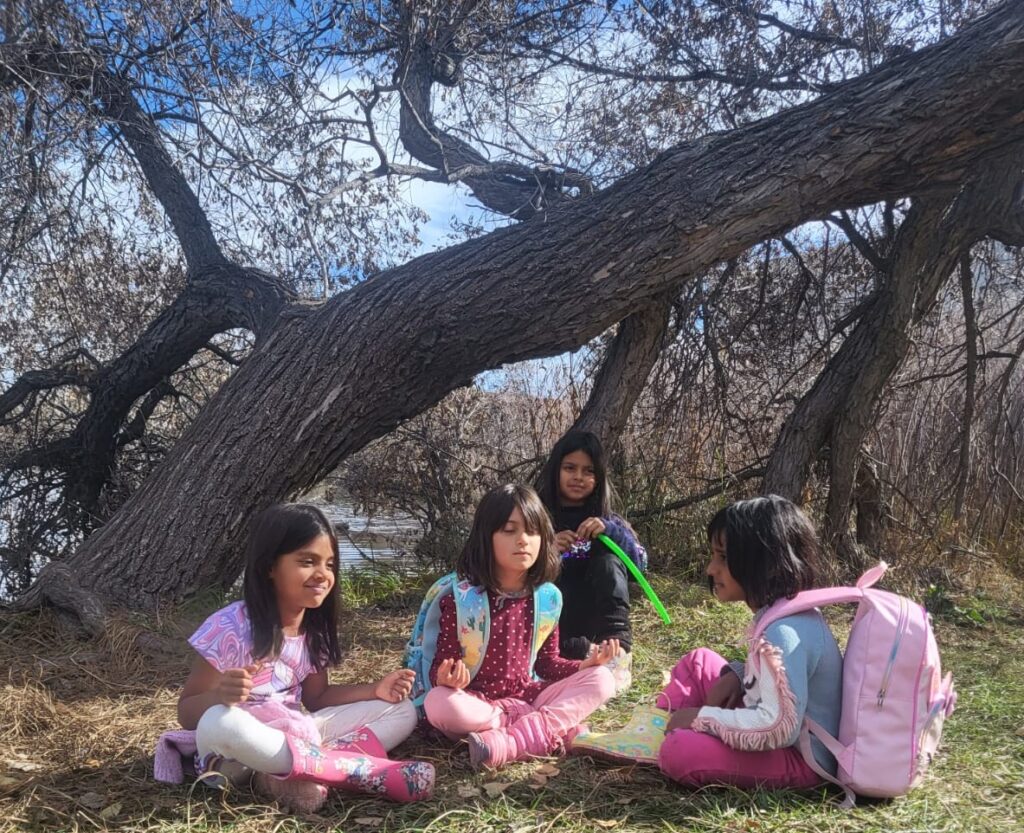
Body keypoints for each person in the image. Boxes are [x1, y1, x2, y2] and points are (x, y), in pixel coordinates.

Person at [175, 503, 433, 811]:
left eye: (330, 564)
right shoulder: (229, 627)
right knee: (220, 721)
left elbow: (317, 698)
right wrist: (220, 696)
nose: (322, 575)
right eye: (308, 561)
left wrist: (375, 690)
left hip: (294, 734)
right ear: (269, 565)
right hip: (234, 757)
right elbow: (187, 713)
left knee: (402, 710)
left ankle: (294, 772)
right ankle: (352, 771)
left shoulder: (313, 632)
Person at [419, 483, 619, 769]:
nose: (523, 540)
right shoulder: (461, 599)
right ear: (485, 538)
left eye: (532, 531)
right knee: (439, 703)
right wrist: (448, 679)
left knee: (603, 679)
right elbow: (441, 669)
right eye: (509, 530)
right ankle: (551, 728)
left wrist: (585, 665)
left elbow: (548, 664)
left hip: (528, 696)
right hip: (480, 704)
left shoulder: (547, 598)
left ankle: (512, 741)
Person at [654, 495, 843, 789]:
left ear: (763, 562)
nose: (710, 569)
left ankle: (679, 737)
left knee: (679, 753)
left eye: (723, 558)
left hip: (800, 758)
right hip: (770, 726)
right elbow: (776, 683)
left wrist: (703, 718)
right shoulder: (781, 613)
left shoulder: (784, 633)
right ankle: (661, 729)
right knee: (700, 661)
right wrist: (740, 675)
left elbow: (778, 728)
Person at [535, 431, 646, 688]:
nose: (578, 477)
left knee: (608, 561)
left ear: (599, 478)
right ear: (555, 470)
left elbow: (640, 566)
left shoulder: (609, 520)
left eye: (588, 471)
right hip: (554, 625)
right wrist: (547, 551)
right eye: (570, 468)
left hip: (599, 619)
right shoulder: (536, 518)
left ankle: (618, 656)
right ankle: (578, 655)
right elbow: (513, 571)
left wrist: (612, 532)